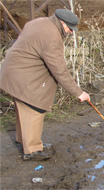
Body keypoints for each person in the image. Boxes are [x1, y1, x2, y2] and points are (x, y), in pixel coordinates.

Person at [0, 9, 90, 161]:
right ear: (62, 23)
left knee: (23, 106)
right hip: (24, 76)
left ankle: (24, 140)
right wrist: (79, 93)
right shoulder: (52, 37)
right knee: (34, 107)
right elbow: (60, 71)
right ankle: (32, 149)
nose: (71, 33)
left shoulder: (39, 22)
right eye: (70, 29)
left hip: (14, 71)